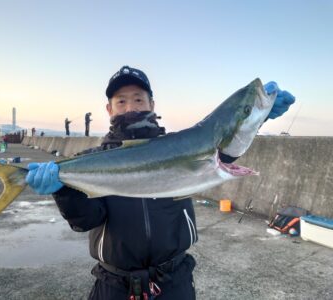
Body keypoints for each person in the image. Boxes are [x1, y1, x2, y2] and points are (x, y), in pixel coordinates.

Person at [25, 66, 295, 299]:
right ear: (109, 109)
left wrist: (256, 118)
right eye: (121, 101)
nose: (131, 107)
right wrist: (62, 190)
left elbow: (222, 149)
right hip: (114, 286)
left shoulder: (180, 146)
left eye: (139, 99)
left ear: (152, 104)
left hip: (174, 282)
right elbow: (85, 221)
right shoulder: (94, 160)